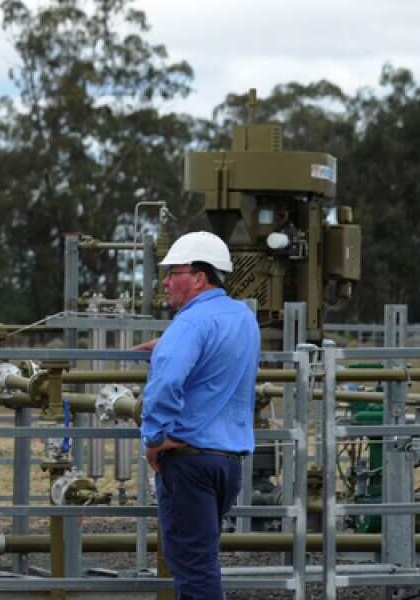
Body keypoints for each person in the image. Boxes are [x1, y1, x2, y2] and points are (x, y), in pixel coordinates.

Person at [134, 231, 259, 599]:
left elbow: (165, 385)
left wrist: (154, 439)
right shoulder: (242, 317)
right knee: (203, 561)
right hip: (228, 462)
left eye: (174, 272)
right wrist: (169, 343)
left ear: (199, 277)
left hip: (188, 460)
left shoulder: (189, 324)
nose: (167, 282)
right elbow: (220, 353)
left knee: (194, 570)